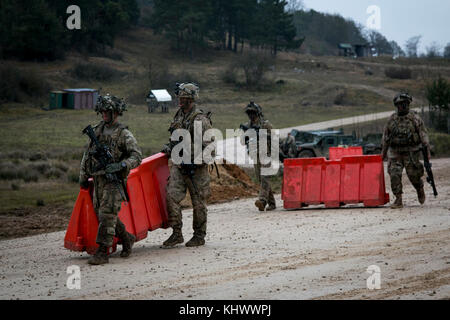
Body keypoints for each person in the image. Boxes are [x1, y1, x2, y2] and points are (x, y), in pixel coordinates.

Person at [79, 94, 142, 265]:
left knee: (107, 214)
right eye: (102, 111)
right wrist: (83, 175)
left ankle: (102, 252)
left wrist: (121, 165)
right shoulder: (96, 130)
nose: (104, 114)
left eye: (107, 111)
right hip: (98, 179)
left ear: (115, 112)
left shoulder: (124, 134)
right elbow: (87, 154)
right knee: (103, 214)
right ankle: (127, 238)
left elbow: (137, 156)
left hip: (113, 181)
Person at [161, 83, 213, 248]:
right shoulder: (178, 116)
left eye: (183, 98)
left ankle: (199, 235)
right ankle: (177, 233)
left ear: (190, 99)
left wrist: (196, 161)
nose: (179, 100)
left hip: (197, 169)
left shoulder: (200, 120)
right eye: (179, 97)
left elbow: (210, 149)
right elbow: (175, 138)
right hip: (179, 165)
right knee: (171, 196)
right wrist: (169, 149)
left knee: (199, 202)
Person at [381, 93, 431, 209]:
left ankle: (419, 188)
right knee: (394, 174)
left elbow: (423, 135)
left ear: (408, 104)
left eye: (403, 104)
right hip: (395, 152)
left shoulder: (414, 118)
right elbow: (385, 138)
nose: (401, 107)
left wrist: (427, 151)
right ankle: (398, 200)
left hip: (411, 151)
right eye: (399, 105)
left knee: (413, 175)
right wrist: (382, 154)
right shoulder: (392, 119)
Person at [240, 101, 276, 212]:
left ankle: (262, 201)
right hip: (255, 156)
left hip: (266, 155)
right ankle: (272, 203)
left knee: (265, 178)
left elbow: (274, 137)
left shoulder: (265, 124)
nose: (251, 115)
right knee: (261, 180)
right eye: (249, 113)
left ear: (258, 113)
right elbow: (242, 142)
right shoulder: (247, 126)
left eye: (253, 113)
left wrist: (263, 135)